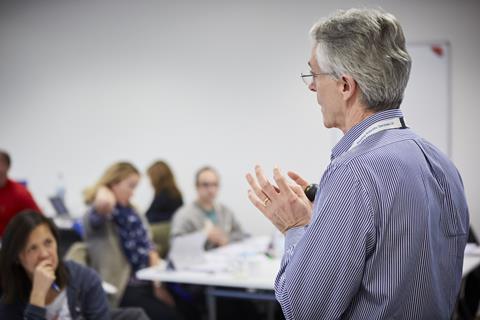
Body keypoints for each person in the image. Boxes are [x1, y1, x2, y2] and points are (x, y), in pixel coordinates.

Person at [246, 8, 469, 320]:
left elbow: (304, 311)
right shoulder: (442, 164)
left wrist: (295, 227)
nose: (311, 87)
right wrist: (323, 219)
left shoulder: (353, 173)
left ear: (345, 86)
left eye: (314, 74)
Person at [83, 162, 181, 320]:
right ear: (113, 184)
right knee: (169, 316)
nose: (133, 193)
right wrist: (103, 187)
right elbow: (104, 203)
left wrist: (158, 284)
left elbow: (149, 246)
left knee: (186, 308)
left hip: (146, 279)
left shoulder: (133, 211)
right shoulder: (99, 215)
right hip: (122, 288)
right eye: (131, 186)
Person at [0, 210, 110, 319]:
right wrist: (38, 295)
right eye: (33, 248)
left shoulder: (84, 279)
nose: (44, 254)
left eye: (48, 242)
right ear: (17, 258)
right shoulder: (10, 303)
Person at [171, 166, 246, 249]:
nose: (211, 190)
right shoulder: (184, 215)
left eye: (215, 184)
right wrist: (203, 237)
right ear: (196, 186)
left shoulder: (225, 211)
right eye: (205, 185)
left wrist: (227, 239)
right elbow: (176, 244)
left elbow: (241, 234)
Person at [0, 150, 41, 237]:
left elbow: (38, 218)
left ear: (8, 167)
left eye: (1, 164)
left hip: (12, 243)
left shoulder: (20, 193)